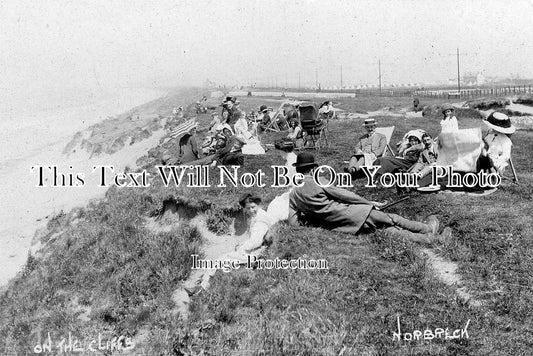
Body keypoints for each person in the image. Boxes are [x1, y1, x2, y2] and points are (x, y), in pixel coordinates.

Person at [288, 153, 452, 244]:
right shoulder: (319, 181)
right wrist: (369, 204)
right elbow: (347, 196)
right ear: (313, 169)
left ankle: (429, 240)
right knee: (392, 219)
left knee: (388, 230)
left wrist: (315, 222)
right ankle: (427, 230)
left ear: (299, 171)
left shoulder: (294, 194)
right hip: (357, 213)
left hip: (343, 226)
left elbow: (293, 222)